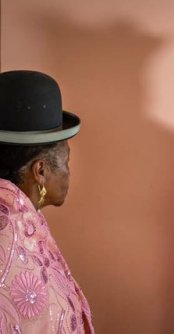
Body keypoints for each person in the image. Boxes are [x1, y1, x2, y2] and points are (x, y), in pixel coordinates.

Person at [0, 70, 94, 333]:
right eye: (66, 162)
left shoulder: (20, 221)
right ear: (40, 171)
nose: (69, 173)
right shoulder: (12, 244)